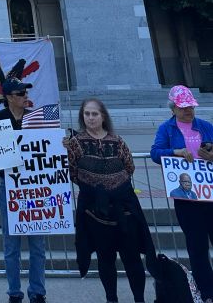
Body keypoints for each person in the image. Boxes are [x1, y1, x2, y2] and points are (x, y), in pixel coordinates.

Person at [66, 98, 153, 303]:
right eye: (86, 114)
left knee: (132, 259)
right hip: (95, 212)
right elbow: (71, 171)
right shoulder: (76, 143)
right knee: (105, 259)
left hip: (124, 209)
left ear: (103, 116)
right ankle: (111, 299)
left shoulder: (118, 141)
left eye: (94, 114)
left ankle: (139, 299)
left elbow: (129, 167)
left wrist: (113, 186)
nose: (90, 118)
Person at [0, 79, 47, 303]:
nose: (25, 95)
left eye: (26, 92)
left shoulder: (35, 118)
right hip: (11, 185)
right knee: (11, 244)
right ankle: (14, 292)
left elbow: (48, 145)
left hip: (35, 186)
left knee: (38, 245)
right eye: (20, 93)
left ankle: (38, 291)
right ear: (8, 97)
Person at [151, 84, 213, 301]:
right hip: (187, 197)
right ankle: (207, 291)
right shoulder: (166, 129)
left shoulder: (205, 126)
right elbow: (155, 153)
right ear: (173, 109)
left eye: (191, 107)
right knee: (197, 246)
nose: (188, 111)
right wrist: (174, 152)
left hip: (210, 191)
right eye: (183, 107)